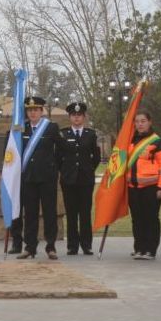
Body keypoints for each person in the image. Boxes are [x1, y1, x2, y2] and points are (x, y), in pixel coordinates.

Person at [16, 96, 61, 260]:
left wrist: (54, 168)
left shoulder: (51, 128)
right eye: (29, 110)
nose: (33, 113)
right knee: (30, 213)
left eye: (36, 110)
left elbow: (60, 151)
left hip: (47, 177)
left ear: (41, 111)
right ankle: (29, 247)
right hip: (28, 178)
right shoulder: (22, 129)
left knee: (49, 213)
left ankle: (51, 246)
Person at [58, 102, 100, 256]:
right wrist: (65, 171)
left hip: (85, 180)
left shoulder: (90, 134)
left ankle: (86, 245)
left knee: (85, 213)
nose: (76, 118)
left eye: (79, 115)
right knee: (71, 213)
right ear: (70, 117)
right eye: (74, 115)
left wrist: (87, 170)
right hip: (68, 180)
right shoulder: (63, 134)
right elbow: (58, 158)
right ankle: (72, 246)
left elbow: (96, 158)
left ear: (84, 117)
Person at [127, 109, 161, 260]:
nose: (140, 124)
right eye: (137, 121)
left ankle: (150, 250)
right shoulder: (130, 140)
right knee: (137, 219)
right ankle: (139, 248)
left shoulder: (157, 142)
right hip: (133, 187)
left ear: (150, 122)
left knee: (150, 218)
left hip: (151, 188)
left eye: (143, 121)